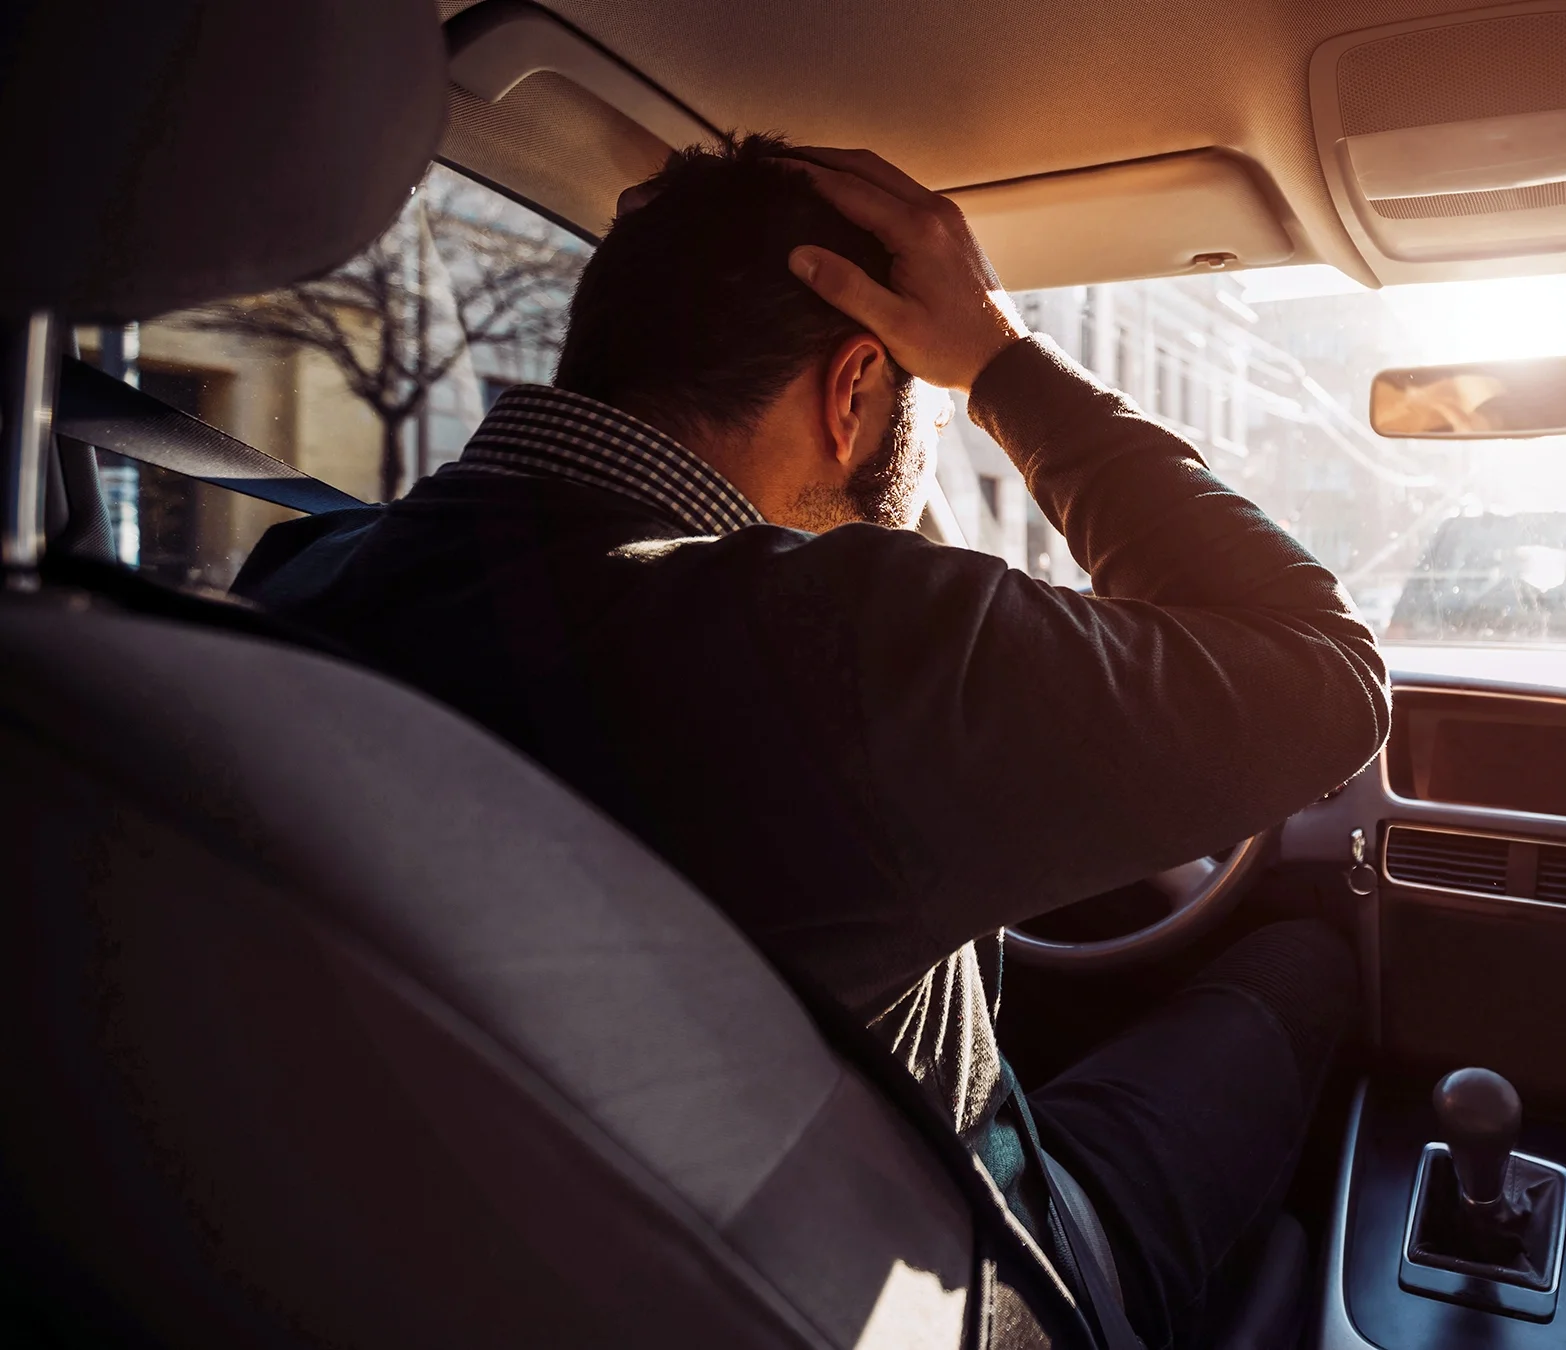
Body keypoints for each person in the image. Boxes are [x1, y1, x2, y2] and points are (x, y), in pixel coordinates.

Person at [233, 134, 1388, 1349]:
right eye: (929, 406)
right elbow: (1334, 678)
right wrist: (999, 361)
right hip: (968, 1276)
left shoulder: (298, 580)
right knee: (1298, 962)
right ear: (853, 396)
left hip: (497, 1268)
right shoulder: (855, 643)